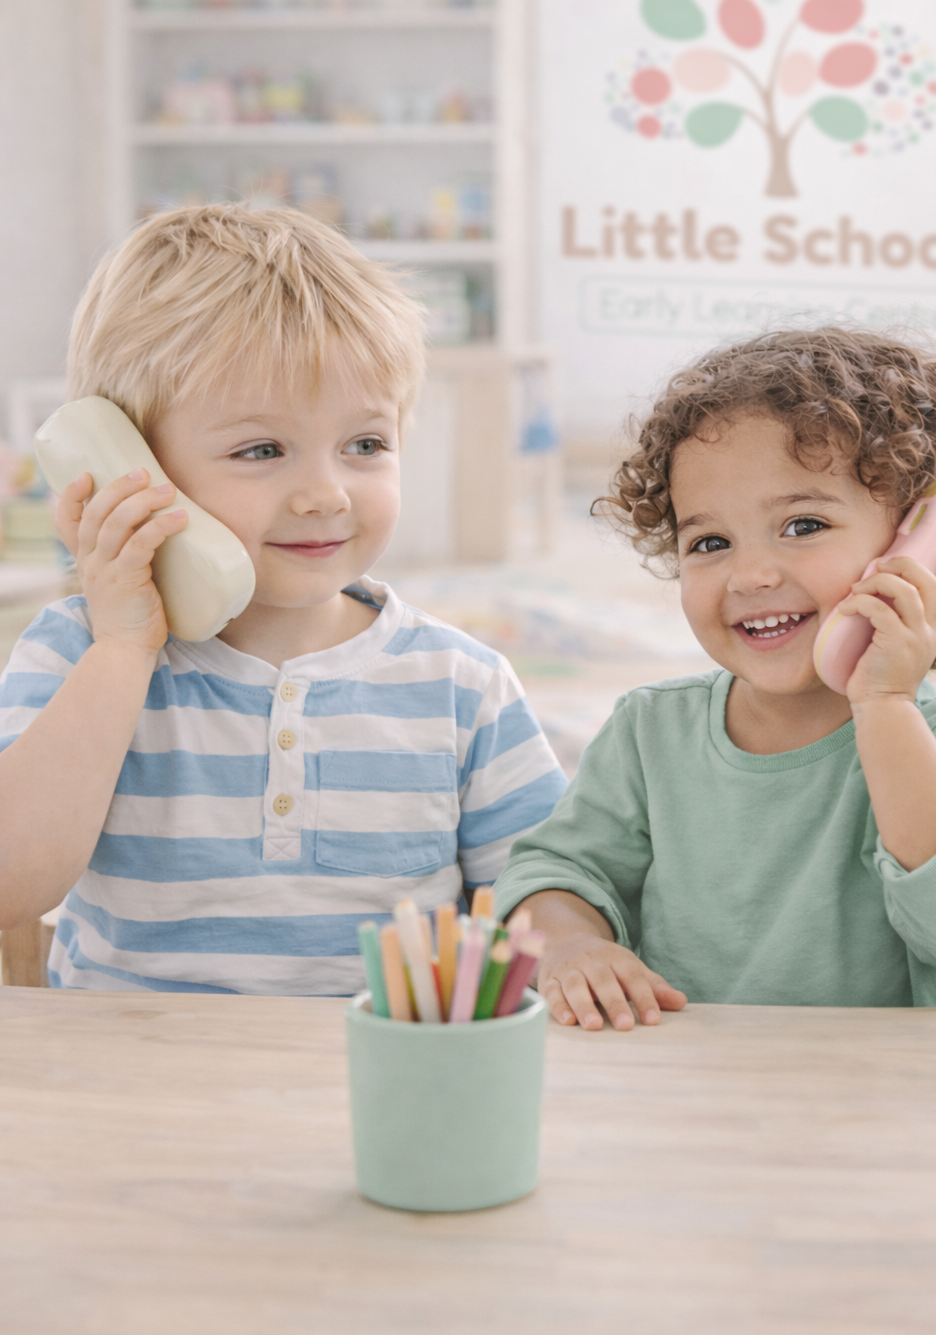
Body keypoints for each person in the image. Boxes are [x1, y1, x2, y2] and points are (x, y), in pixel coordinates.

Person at [0, 205, 566, 992]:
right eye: (261, 450)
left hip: (380, 1089)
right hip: (133, 1096)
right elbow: (11, 888)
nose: (326, 493)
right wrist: (124, 649)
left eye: (366, 445)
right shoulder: (75, 655)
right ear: (129, 463)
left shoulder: (460, 684)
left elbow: (541, 900)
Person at [495, 327, 936, 1024]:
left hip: (899, 1108)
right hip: (702, 1092)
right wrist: (567, 945)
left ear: (916, 551)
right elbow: (554, 874)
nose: (750, 575)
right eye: (709, 542)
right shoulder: (650, 733)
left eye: (803, 525)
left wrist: (886, 704)